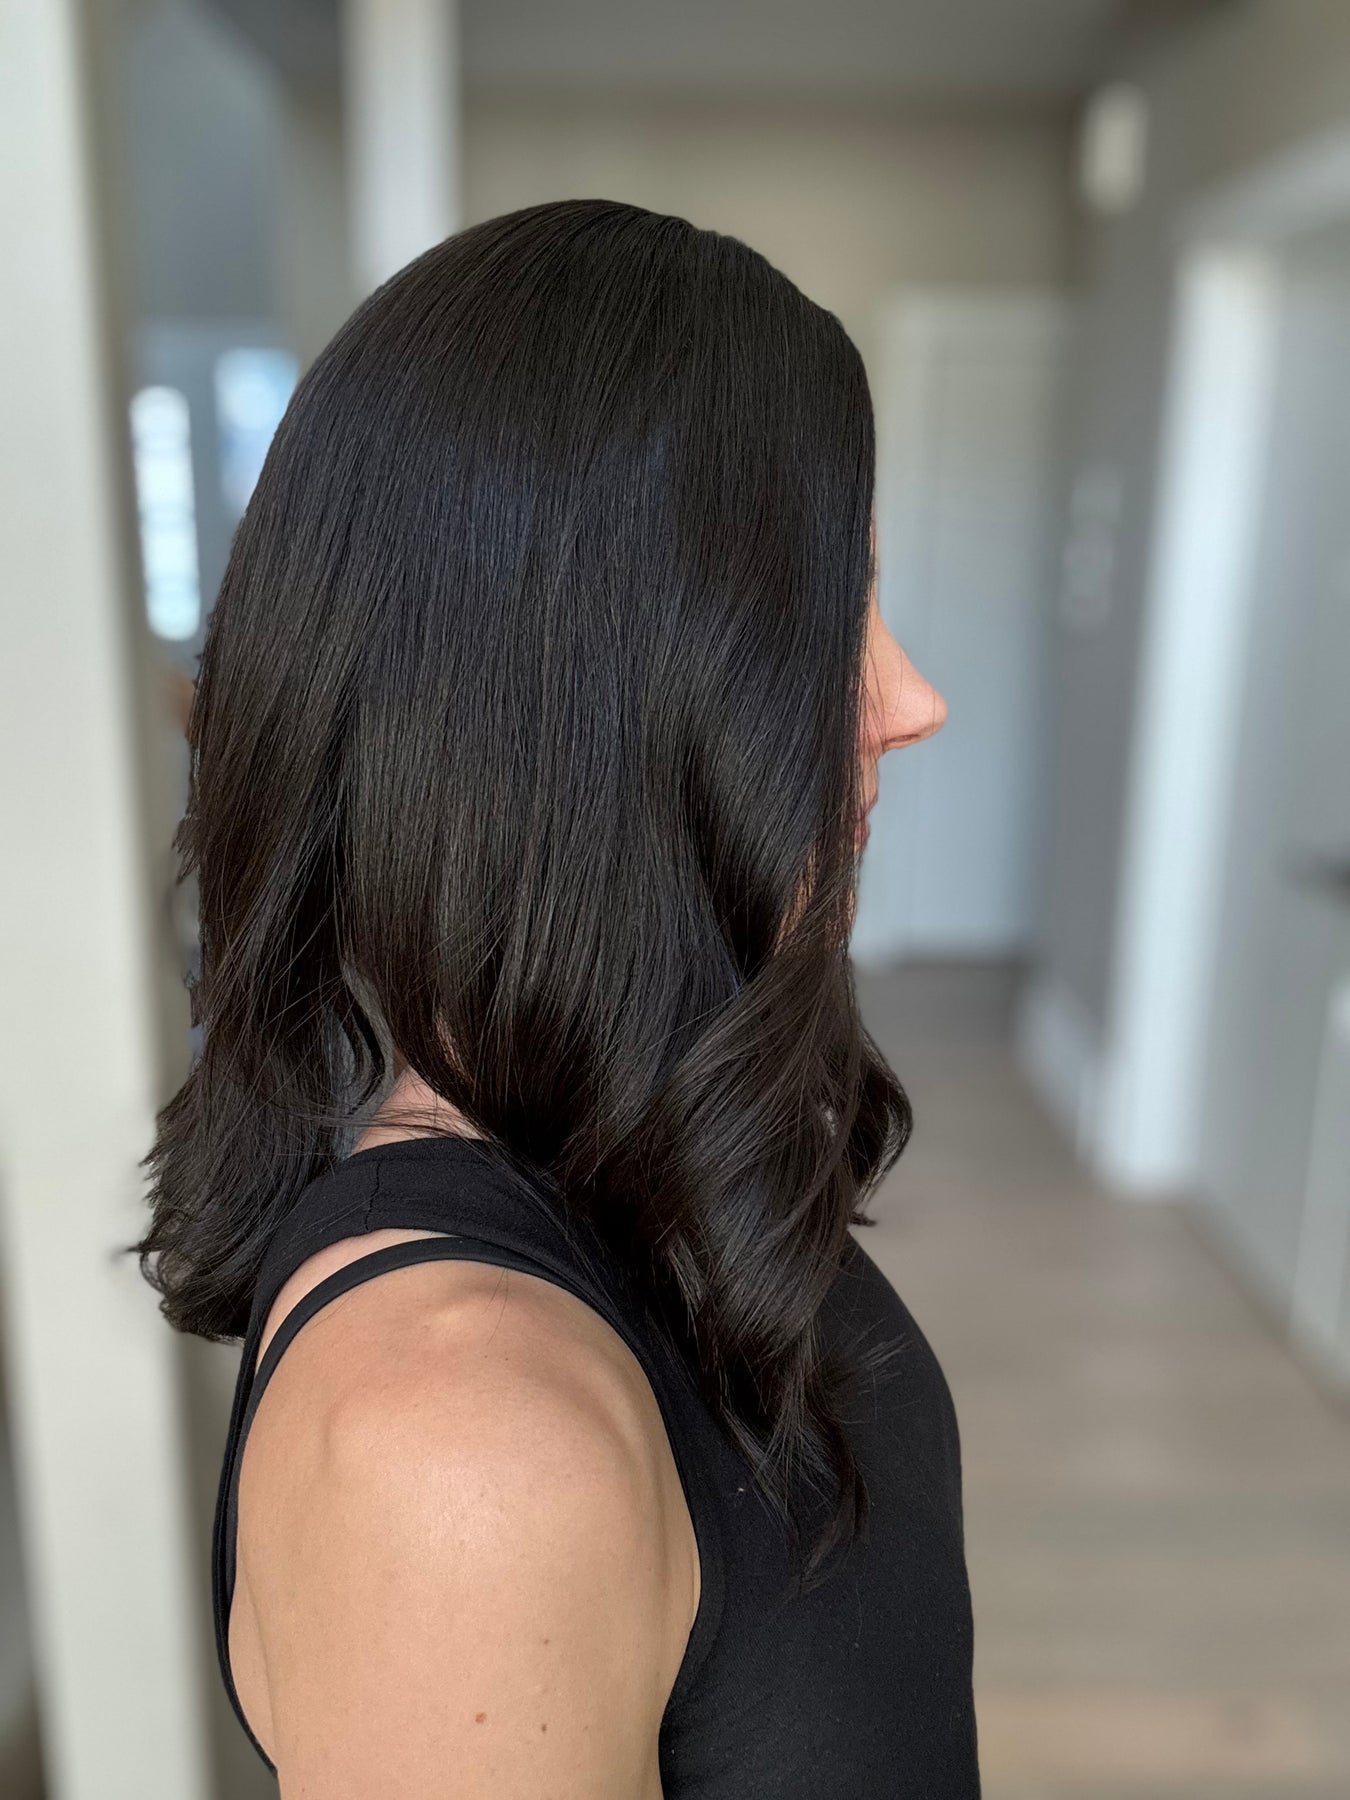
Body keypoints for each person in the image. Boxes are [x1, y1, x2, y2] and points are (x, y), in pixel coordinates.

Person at [139, 199, 974, 1798]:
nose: (910, 700)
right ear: (592, 685)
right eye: (831, 620)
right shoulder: (460, 1441)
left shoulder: (623, 1149)